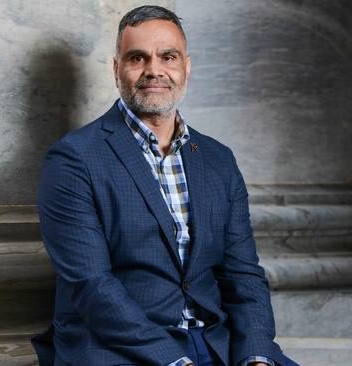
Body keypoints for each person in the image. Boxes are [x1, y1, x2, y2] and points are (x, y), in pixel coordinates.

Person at [33, 5, 298, 366]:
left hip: (215, 342)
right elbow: (91, 285)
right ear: (117, 70)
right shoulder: (74, 160)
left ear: (186, 67)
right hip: (120, 350)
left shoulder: (218, 159)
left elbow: (244, 275)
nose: (154, 69)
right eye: (137, 57)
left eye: (168, 57)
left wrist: (257, 355)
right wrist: (175, 361)